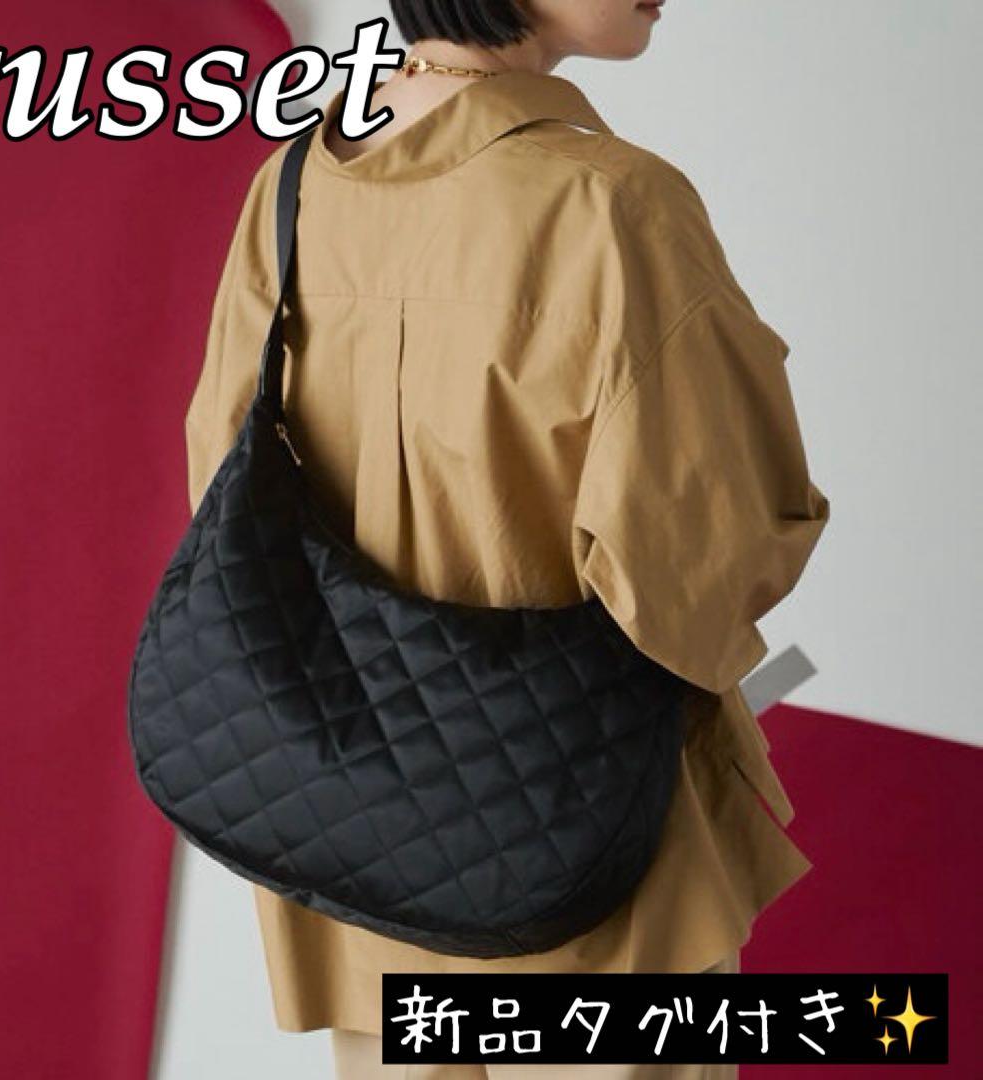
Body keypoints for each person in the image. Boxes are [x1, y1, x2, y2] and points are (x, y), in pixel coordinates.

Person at [183, 2, 831, 1076]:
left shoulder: (292, 188)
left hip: (350, 828)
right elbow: (707, 544)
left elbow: (222, 488)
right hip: (582, 828)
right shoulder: (611, 203)